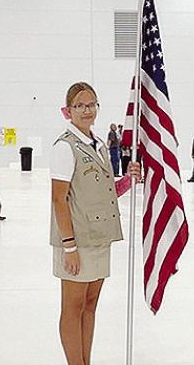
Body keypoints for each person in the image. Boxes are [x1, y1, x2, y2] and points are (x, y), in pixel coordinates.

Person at [50, 82, 140, 365]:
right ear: (68, 111)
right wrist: (69, 247)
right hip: (77, 241)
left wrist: (128, 179)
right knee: (73, 307)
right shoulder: (65, 147)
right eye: (80, 105)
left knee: (90, 307)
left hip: (99, 237)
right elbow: (58, 200)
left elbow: (105, 190)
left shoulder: (98, 145)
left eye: (91, 104)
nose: (87, 110)